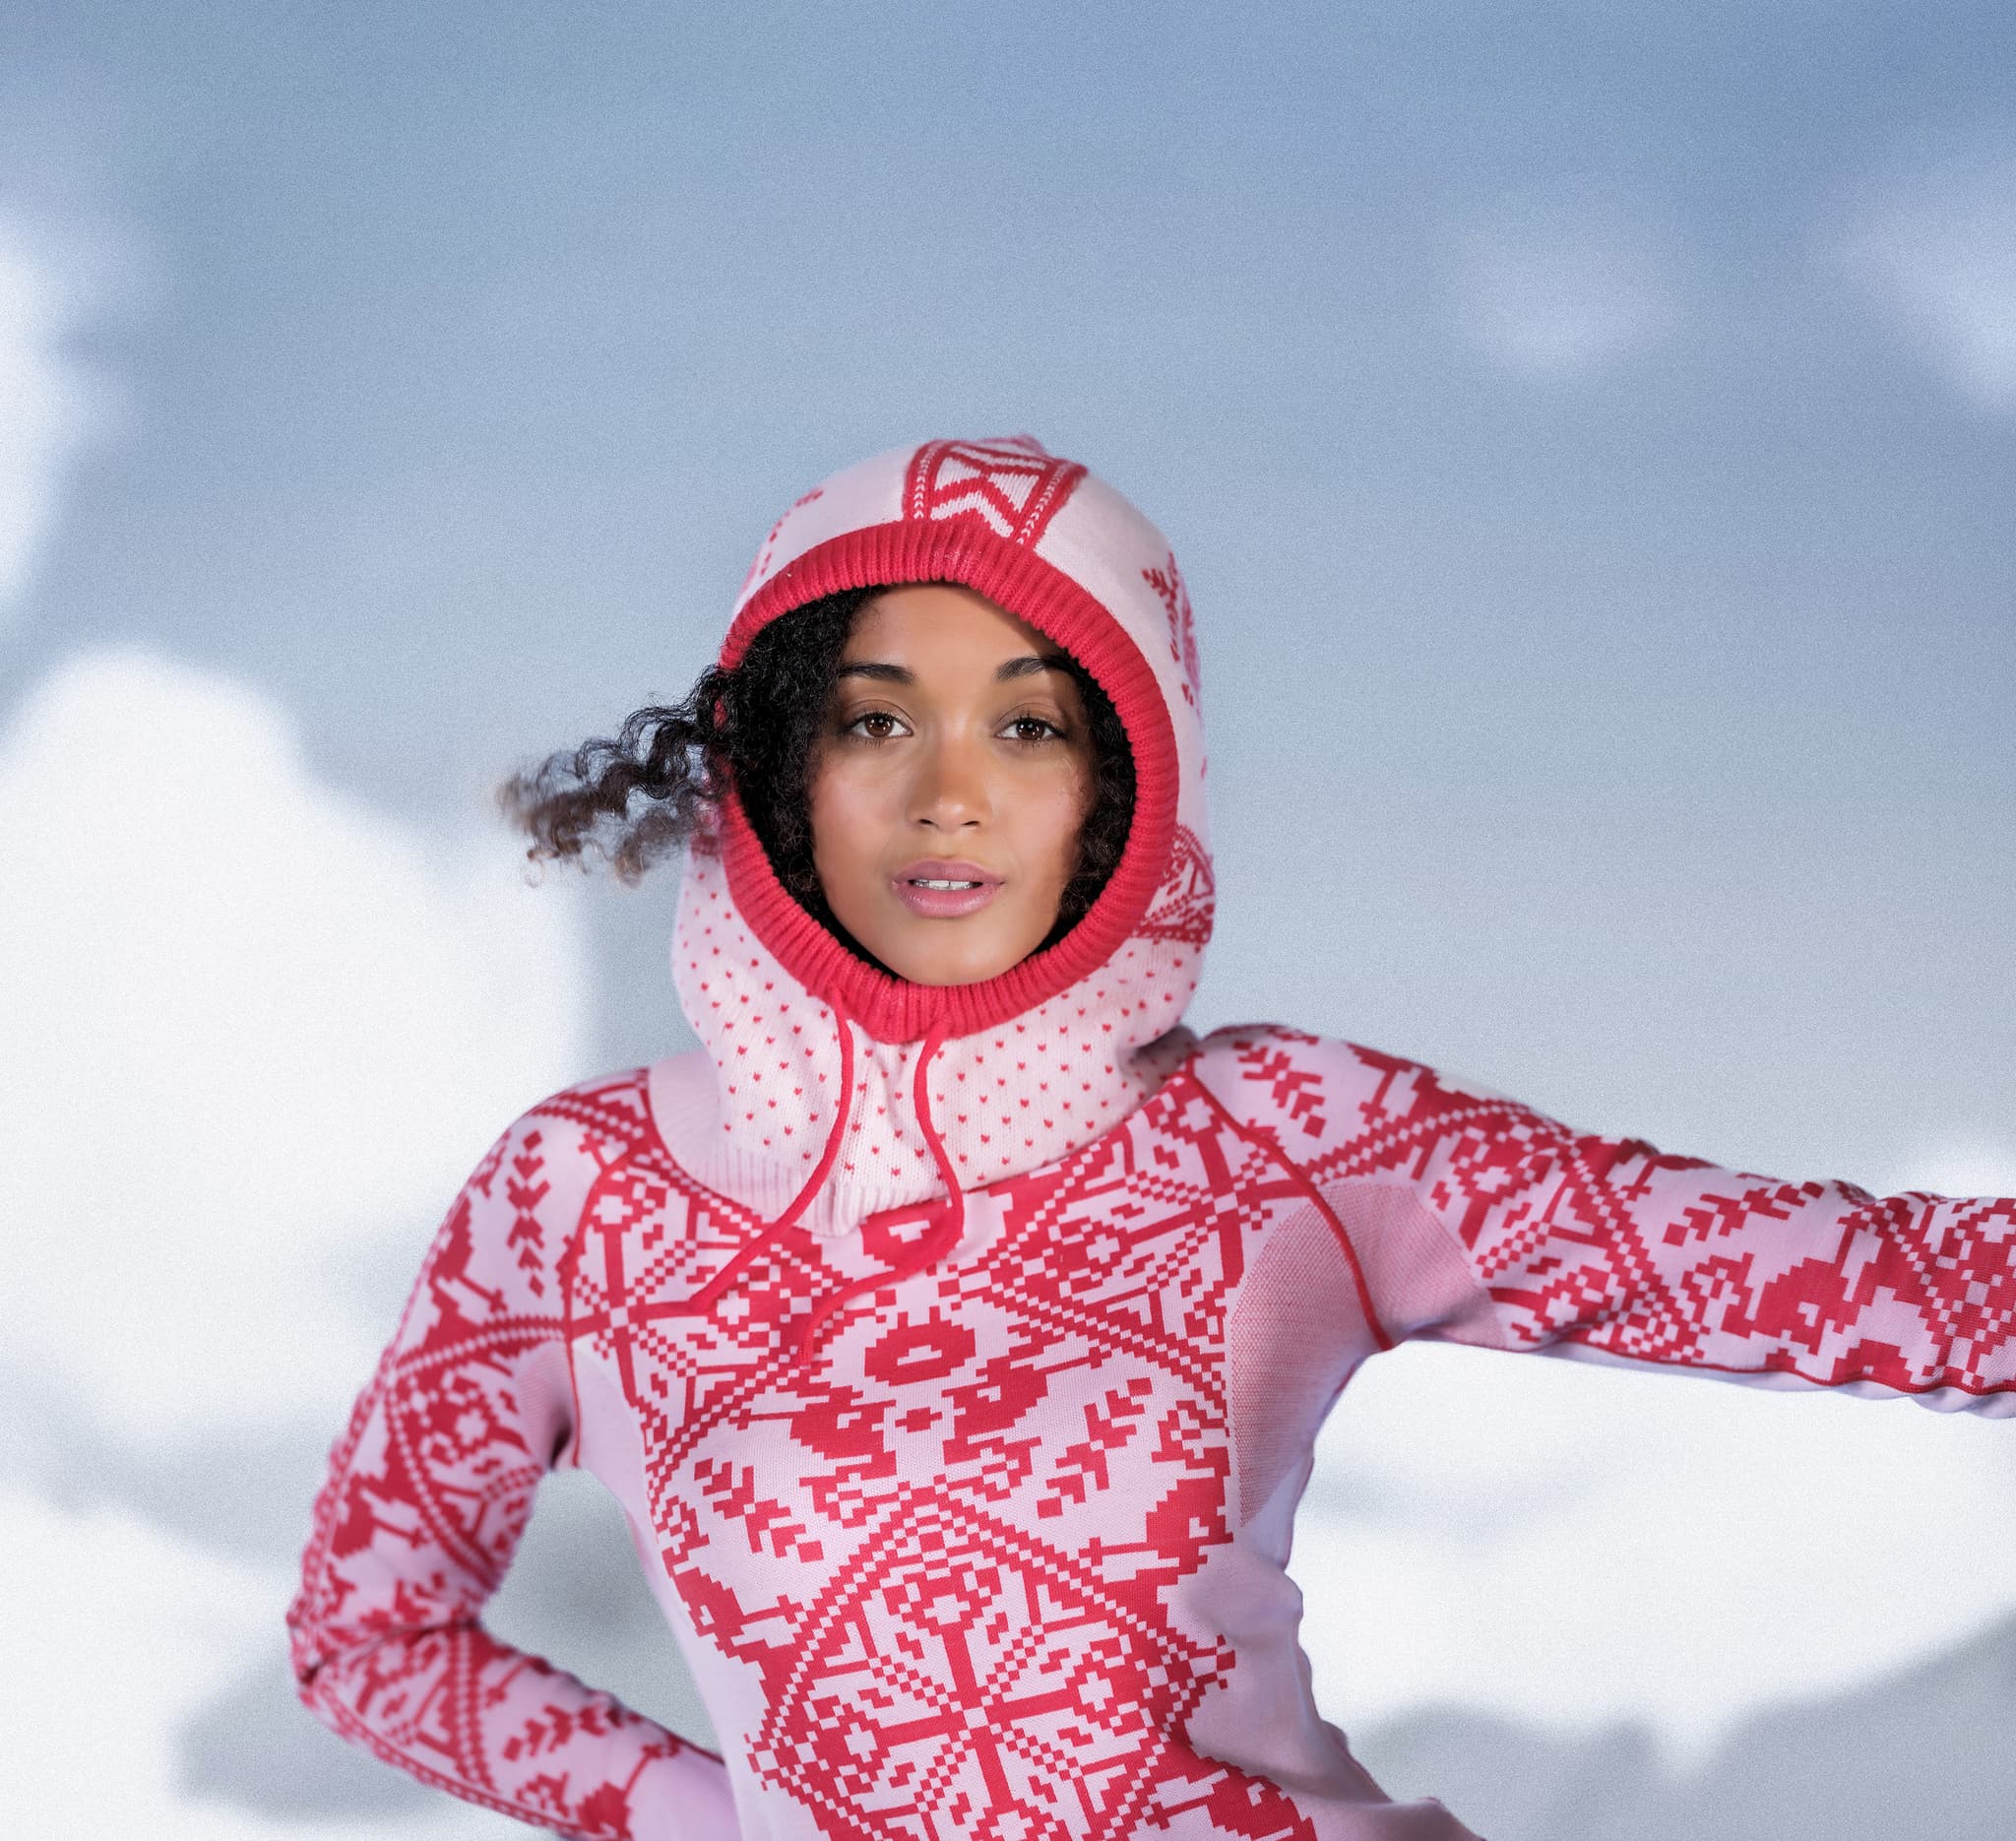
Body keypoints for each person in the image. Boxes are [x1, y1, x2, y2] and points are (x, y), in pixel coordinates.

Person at [288, 434, 2016, 1840]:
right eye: (874, 715)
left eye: (1028, 724)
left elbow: (1934, 1296)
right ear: (773, 759)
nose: (946, 791)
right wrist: (711, 1814)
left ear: (1128, 779)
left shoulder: (1290, 1140)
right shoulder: (580, 1196)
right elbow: (370, 1638)